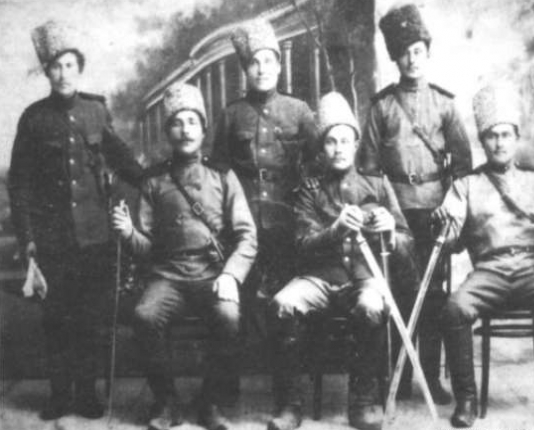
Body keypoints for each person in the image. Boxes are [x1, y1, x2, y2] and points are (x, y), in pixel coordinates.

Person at [8, 20, 143, 420]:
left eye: (69, 65)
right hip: (53, 240)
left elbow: (122, 158)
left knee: (90, 320)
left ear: (79, 68)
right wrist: (29, 239)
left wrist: (156, 178)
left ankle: (86, 395)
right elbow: (19, 185)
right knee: (56, 320)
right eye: (55, 66)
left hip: (95, 238)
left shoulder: (95, 110)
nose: (63, 73)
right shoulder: (33, 119)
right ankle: (60, 397)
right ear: (46, 72)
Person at [267, 92, 419, 430]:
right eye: (331, 141)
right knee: (283, 304)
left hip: (364, 278)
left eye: (345, 140)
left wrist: (391, 232)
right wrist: (334, 231)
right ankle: (290, 405)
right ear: (321, 149)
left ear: (356, 144)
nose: (338, 148)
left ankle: (362, 401)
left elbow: (408, 245)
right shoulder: (309, 189)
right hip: (319, 279)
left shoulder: (377, 184)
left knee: (371, 306)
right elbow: (301, 245)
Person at [433, 84, 534, 428]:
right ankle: (467, 400)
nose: (499, 143)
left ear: (516, 138)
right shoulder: (466, 185)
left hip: (533, 270)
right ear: (482, 141)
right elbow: (451, 242)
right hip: (489, 272)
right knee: (454, 309)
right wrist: (444, 223)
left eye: (505, 135)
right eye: (491, 136)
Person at [111, 83, 257, 430]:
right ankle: (167, 402)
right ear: (168, 132)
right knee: (145, 316)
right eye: (177, 122)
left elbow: (247, 235)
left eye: (192, 121)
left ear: (204, 129)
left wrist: (231, 275)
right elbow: (147, 248)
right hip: (168, 276)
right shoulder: (154, 180)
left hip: (213, 274)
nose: (185, 129)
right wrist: (128, 233)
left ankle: (210, 402)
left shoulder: (222, 174)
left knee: (229, 316)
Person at [357, 3, 472, 404]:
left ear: (427, 52)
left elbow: (464, 167)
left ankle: (431, 378)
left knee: (434, 295)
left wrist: (452, 203)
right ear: (395, 57)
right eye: (404, 52)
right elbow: (368, 169)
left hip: (435, 213)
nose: (412, 59)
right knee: (399, 294)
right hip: (396, 215)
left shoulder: (444, 104)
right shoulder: (382, 107)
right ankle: (400, 377)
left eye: (418, 50)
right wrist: (384, 210)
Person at [209, 18, 319, 301]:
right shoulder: (232, 115)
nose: (262, 69)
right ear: (245, 69)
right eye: (254, 63)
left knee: (288, 294)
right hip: (244, 219)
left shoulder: (299, 110)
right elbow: (217, 171)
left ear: (279, 66)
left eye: (269, 61)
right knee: (248, 299)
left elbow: (319, 161)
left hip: (288, 217)